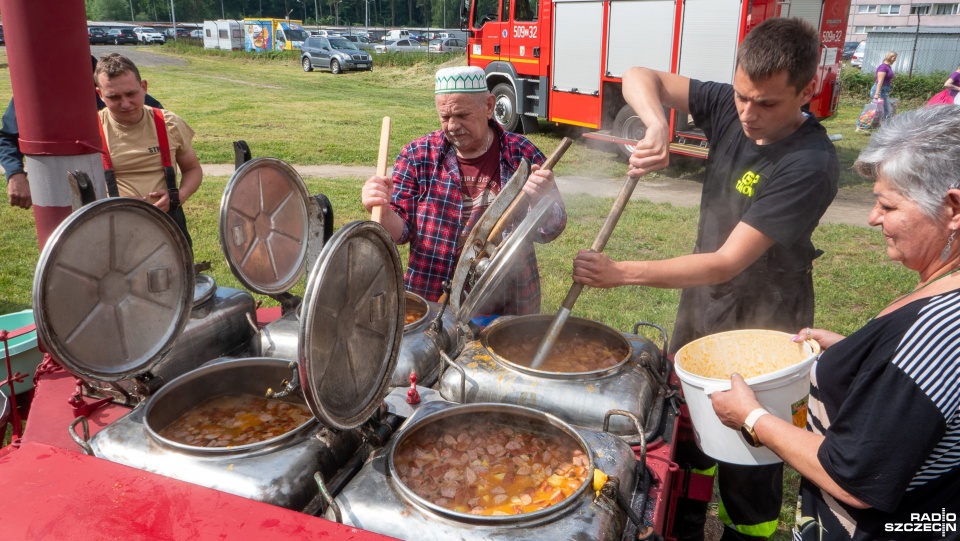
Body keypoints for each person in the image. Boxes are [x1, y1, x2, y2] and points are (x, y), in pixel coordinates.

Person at [571, 18, 839, 541]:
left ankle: (749, 534)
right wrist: (655, 123)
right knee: (691, 434)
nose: (747, 113)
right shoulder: (728, 106)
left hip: (763, 327)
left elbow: (726, 261)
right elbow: (639, 75)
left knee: (751, 462)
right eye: (741, 96)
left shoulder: (810, 162)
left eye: (767, 104)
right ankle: (685, 523)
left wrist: (621, 273)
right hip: (702, 309)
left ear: (808, 90)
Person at [713, 106, 960, 540]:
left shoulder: (938, 328)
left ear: (953, 207)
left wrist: (751, 417)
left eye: (887, 204)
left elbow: (855, 477)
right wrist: (858, 357)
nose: (873, 218)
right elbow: (915, 392)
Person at [361, 66, 566, 315]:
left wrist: (542, 200)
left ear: (489, 106)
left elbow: (550, 229)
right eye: (445, 117)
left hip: (509, 307)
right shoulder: (417, 156)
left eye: (462, 115)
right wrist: (381, 212)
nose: (453, 126)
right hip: (433, 302)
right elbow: (401, 232)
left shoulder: (522, 154)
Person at [1, 55, 162, 209]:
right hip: (56, 185)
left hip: (109, 189)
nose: (124, 103)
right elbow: (7, 136)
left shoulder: (106, 80)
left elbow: (158, 121)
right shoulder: (38, 86)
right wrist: (15, 174)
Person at [95, 53, 201, 247]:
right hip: (114, 230)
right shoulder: (92, 130)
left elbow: (193, 169)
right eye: (114, 97)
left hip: (168, 226)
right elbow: (77, 187)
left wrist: (179, 195)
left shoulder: (168, 123)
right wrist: (109, 202)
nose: (125, 104)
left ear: (144, 87)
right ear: (100, 94)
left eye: (131, 94)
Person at [871, 51, 897, 120]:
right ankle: (887, 126)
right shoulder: (883, 67)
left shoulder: (888, 67)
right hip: (879, 90)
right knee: (886, 110)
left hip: (884, 90)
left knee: (882, 110)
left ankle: (878, 124)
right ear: (889, 57)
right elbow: (880, 81)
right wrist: (877, 94)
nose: (895, 60)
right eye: (894, 58)